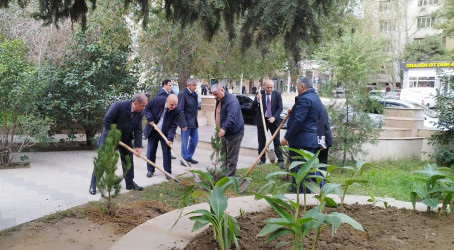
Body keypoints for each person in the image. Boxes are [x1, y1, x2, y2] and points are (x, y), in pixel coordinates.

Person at [89, 93, 148, 195]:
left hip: (126, 138)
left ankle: (130, 184)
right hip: (110, 136)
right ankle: (94, 185)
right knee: (102, 160)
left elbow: (138, 129)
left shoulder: (140, 112)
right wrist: (113, 135)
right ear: (135, 103)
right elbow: (107, 120)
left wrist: (138, 146)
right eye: (143, 105)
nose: (144, 107)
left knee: (128, 160)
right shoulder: (119, 106)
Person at [281, 77, 322, 193]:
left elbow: (299, 120)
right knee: (310, 166)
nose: (296, 88)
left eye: (297, 86)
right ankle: (308, 188)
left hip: (301, 141)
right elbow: (309, 116)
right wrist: (293, 111)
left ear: (302, 86)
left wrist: (286, 137)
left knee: (299, 166)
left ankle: (300, 190)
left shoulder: (304, 99)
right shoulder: (315, 97)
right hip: (310, 139)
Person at [143, 94, 180, 179]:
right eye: (172, 104)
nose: (174, 106)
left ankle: (167, 172)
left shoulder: (177, 110)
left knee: (167, 152)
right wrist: (150, 118)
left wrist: (170, 138)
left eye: (176, 104)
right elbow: (146, 108)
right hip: (153, 131)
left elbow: (173, 126)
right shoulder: (157, 100)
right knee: (151, 151)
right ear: (166, 101)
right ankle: (150, 170)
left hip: (165, 133)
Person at [211, 84, 244, 176]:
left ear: (222, 90)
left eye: (216, 94)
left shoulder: (232, 101)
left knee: (231, 157)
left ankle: (229, 177)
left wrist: (223, 128)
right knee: (223, 155)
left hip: (234, 133)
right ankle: (223, 174)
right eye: (213, 95)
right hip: (224, 133)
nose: (215, 97)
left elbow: (231, 117)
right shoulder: (219, 99)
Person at [252, 79, 284, 168]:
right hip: (262, 121)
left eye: (271, 87)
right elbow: (253, 106)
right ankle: (262, 159)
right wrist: (258, 100)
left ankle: (280, 160)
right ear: (264, 87)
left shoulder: (277, 94)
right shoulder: (259, 93)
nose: (270, 89)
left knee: (276, 141)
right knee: (261, 141)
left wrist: (274, 117)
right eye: (268, 87)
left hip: (273, 121)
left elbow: (280, 108)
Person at [177, 78, 199, 165]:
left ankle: (189, 156)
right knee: (184, 142)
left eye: (196, 85)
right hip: (185, 123)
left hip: (193, 122)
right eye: (194, 85)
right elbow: (180, 110)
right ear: (188, 85)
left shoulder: (195, 94)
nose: (195, 87)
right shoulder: (182, 94)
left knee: (195, 140)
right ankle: (183, 160)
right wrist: (183, 124)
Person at [155, 79, 177, 159]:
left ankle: (168, 154)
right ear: (165, 85)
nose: (171, 87)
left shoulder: (166, 93)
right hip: (160, 124)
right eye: (169, 85)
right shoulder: (162, 94)